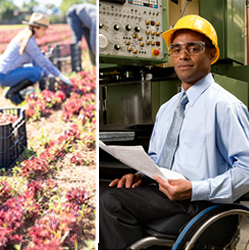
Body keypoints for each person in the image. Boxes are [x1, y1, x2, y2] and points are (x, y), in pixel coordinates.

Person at [99, 15, 249, 249]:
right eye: (176, 48)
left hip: (204, 204)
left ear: (211, 54)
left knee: (109, 203)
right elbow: (158, 161)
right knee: (106, 192)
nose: (183, 55)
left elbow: (246, 170)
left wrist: (194, 189)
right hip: (166, 198)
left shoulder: (225, 107)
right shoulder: (167, 108)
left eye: (193, 48)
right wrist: (141, 177)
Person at [0, 12, 73, 105]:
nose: (44, 33)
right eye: (43, 30)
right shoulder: (29, 41)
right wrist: (60, 75)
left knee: (37, 71)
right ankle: (12, 92)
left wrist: (48, 74)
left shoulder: (26, 38)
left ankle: (14, 92)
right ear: (35, 28)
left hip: (5, 74)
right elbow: (43, 61)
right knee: (36, 73)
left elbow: (36, 62)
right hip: (4, 76)